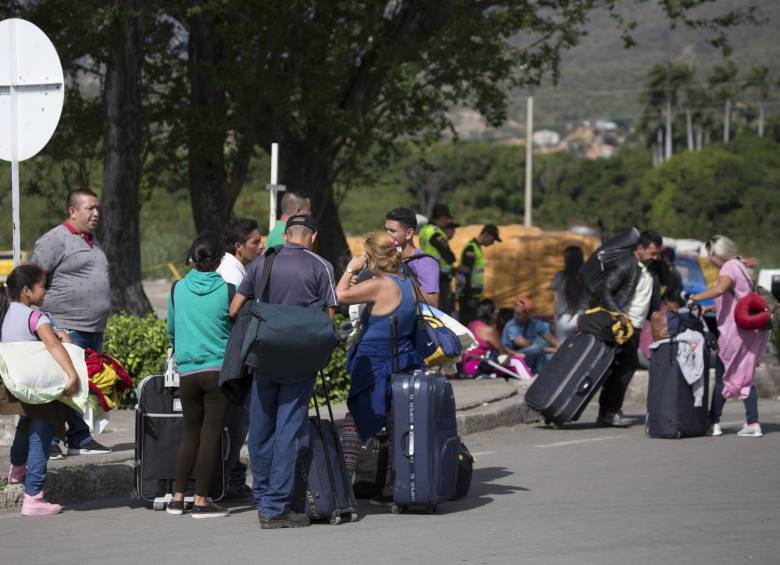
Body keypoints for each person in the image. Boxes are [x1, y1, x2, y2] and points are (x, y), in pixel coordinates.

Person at [229, 214, 337, 529]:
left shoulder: (262, 263)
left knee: (261, 428)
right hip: (300, 359)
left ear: (286, 235)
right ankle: (277, 508)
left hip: (265, 355)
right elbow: (329, 321)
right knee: (289, 428)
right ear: (312, 236)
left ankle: (263, 498)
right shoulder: (322, 266)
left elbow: (235, 309)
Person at [336, 231, 423, 507]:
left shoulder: (380, 285)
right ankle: (391, 486)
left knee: (354, 422)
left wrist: (351, 268)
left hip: (375, 362)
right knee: (394, 423)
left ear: (372, 257)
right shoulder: (410, 284)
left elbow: (340, 295)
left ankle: (342, 489)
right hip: (404, 359)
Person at [32, 189, 111, 458]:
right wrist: (47, 326)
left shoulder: (93, 241)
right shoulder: (54, 240)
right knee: (64, 383)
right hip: (65, 326)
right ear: (73, 211)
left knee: (84, 385)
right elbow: (34, 284)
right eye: (90, 208)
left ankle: (79, 439)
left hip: (92, 327)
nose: (96, 213)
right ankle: (52, 440)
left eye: (97, 208)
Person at [1, 264, 80, 516]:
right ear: (26, 291)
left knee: (25, 423)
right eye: (41, 287)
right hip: (41, 386)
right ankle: (34, 496)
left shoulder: (5, 312)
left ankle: (16, 469)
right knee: (41, 432)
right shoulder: (36, 317)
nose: (45, 292)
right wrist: (72, 374)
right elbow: (53, 346)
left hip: (17, 383)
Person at [165, 232, 233, 518]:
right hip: (217, 372)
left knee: (190, 433)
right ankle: (202, 500)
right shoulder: (229, 290)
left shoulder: (176, 288)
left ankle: (177, 498)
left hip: (188, 372)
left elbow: (171, 330)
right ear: (219, 261)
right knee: (210, 435)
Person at [689, 235, 769, 438]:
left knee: (723, 378)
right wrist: (708, 308)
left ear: (719, 253)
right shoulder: (742, 267)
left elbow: (720, 289)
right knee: (745, 376)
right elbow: (735, 300)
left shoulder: (729, 267)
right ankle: (753, 423)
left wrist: (695, 297)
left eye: (711, 254)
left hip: (735, 334)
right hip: (750, 331)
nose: (710, 259)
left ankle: (713, 422)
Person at [592, 230, 662, 427]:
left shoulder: (650, 269)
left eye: (658, 253)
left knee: (623, 369)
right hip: (622, 327)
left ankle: (609, 411)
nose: (656, 257)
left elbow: (653, 300)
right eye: (652, 253)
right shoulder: (626, 264)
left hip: (636, 328)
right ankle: (609, 411)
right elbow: (604, 289)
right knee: (622, 369)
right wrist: (617, 313)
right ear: (640, 249)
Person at [216, 217, 262, 499]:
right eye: (255, 242)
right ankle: (227, 480)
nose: (260, 245)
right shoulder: (232, 276)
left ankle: (231, 476)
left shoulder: (235, 268)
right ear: (238, 246)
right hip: (231, 360)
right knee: (236, 423)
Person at [463, 299, 532, 379]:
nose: (497, 312)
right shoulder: (488, 330)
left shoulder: (472, 325)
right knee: (516, 361)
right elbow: (503, 353)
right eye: (495, 309)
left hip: (467, 367)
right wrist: (516, 355)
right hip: (478, 367)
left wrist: (513, 353)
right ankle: (531, 384)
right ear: (489, 313)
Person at [384, 207, 440, 305]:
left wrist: (400, 283)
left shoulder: (425, 262)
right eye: (386, 230)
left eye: (392, 231)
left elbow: (433, 303)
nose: (387, 235)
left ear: (409, 233)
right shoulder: (385, 258)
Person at [501, 297, 560, 375]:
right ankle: (543, 375)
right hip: (512, 356)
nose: (515, 316)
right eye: (514, 313)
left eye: (519, 314)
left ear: (527, 314)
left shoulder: (534, 323)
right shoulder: (511, 326)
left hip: (529, 356)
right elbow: (527, 346)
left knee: (557, 355)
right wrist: (553, 350)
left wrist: (560, 348)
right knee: (537, 349)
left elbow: (555, 342)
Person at [419, 204, 458, 314]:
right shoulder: (435, 232)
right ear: (442, 218)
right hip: (439, 276)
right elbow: (447, 254)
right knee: (443, 310)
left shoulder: (425, 230)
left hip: (427, 273)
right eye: (447, 219)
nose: (447, 223)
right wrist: (452, 259)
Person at [458, 224, 501, 325]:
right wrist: (470, 297)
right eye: (493, 239)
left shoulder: (477, 248)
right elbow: (466, 273)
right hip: (468, 296)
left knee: (473, 325)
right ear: (486, 235)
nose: (492, 243)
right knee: (468, 326)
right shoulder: (471, 249)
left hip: (474, 296)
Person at [551, 246, 589, 343]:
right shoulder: (585, 277)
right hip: (580, 318)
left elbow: (555, 300)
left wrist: (554, 319)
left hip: (562, 318)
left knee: (562, 351)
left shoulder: (559, 276)